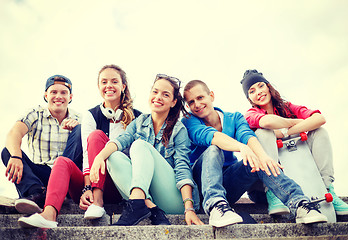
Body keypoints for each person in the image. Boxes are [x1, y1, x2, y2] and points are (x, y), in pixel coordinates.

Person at [182, 79, 329, 227]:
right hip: (201, 188)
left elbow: (247, 135)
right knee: (214, 148)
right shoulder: (189, 121)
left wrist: (264, 157)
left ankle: (299, 203)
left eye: (200, 98)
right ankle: (215, 207)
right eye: (191, 102)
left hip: (227, 185)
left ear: (211, 96)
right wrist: (242, 147)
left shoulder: (234, 118)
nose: (197, 105)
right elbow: (211, 136)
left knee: (259, 159)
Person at [17, 64, 140, 228]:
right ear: (99, 87)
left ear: (123, 86)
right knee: (62, 161)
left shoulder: (139, 118)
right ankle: (48, 214)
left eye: (114, 81)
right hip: (92, 182)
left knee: (97, 136)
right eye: (104, 82)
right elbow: (88, 155)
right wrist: (86, 188)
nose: (108, 86)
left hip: (120, 186)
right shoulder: (91, 115)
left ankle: (98, 201)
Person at [90, 74, 204, 226]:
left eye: (165, 94)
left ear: (173, 102)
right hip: (151, 198)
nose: (158, 97)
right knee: (113, 156)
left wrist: (189, 208)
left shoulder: (178, 130)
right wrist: (99, 157)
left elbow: (183, 168)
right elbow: (120, 141)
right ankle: (148, 207)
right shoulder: (139, 122)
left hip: (174, 200)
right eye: (155, 92)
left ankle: (137, 203)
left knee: (139, 145)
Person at [241, 69, 348, 216]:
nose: (258, 92)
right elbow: (267, 122)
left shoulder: (287, 107)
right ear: (249, 98)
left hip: (297, 173)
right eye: (251, 91)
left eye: (261, 86)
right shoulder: (251, 114)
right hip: (261, 187)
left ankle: (327, 190)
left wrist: (286, 132)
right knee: (264, 132)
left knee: (319, 131)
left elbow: (319, 119)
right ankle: (273, 194)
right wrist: (299, 124)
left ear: (268, 87)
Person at [1, 75, 82, 215]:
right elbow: (14, 133)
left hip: (67, 176)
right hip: (42, 174)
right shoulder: (35, 114)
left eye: (63, 92)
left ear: (70, 97)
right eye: (53, 92)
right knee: (7, 151)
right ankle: (36, 194)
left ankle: (58, 196)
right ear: (46, 95)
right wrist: (16, 156)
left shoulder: (79, 118)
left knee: (82, 130)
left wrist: (79, 130)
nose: (58, 96)